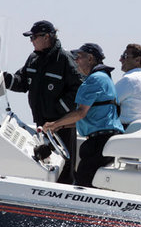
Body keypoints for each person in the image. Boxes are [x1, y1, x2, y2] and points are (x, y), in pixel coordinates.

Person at [3, 20, 81, 185]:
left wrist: (57, 112)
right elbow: (21, 82)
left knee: (63, 170)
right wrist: (3, 78)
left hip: (60, 126)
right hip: (40, 124)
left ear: (46, 37)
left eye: (33, 37)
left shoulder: (65, 60)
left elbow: (77, 91)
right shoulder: (33, 59)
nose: (31, 41)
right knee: (43, 167)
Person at [43, 43, 124, 187]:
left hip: (99, 142)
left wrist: (55, 124)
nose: (76, 61)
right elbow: (90, 116)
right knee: (85, 181)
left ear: (91, 58)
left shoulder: (94, 80)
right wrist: (60, 126)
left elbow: (81, 113)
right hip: (105, 139)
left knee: (83, 184)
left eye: (79, 57)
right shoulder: (104, 77)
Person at [115, 43, 141, 128]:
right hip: (132, 128)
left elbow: (105, 101)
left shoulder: (130, 79)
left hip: (124, 129)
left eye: (125, 56)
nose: (120, 59)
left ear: (137, 60)